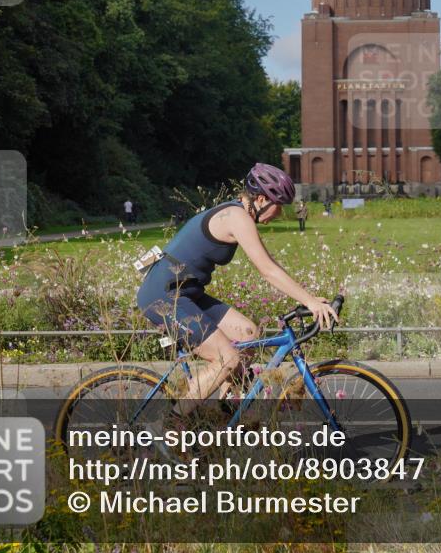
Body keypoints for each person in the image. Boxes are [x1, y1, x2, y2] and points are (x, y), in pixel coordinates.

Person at [136, 164, 337, 425]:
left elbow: (270, 262)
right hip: (164, 296)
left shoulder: (237, 212)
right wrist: (308, 301)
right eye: (279, 205)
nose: (280, 213)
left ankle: (222, 412)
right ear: (262, 199)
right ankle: (170, 425)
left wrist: (307, 296)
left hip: (188, 293)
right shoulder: (236, 217)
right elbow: (267, 271)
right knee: (227, 359)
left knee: (247, 334)